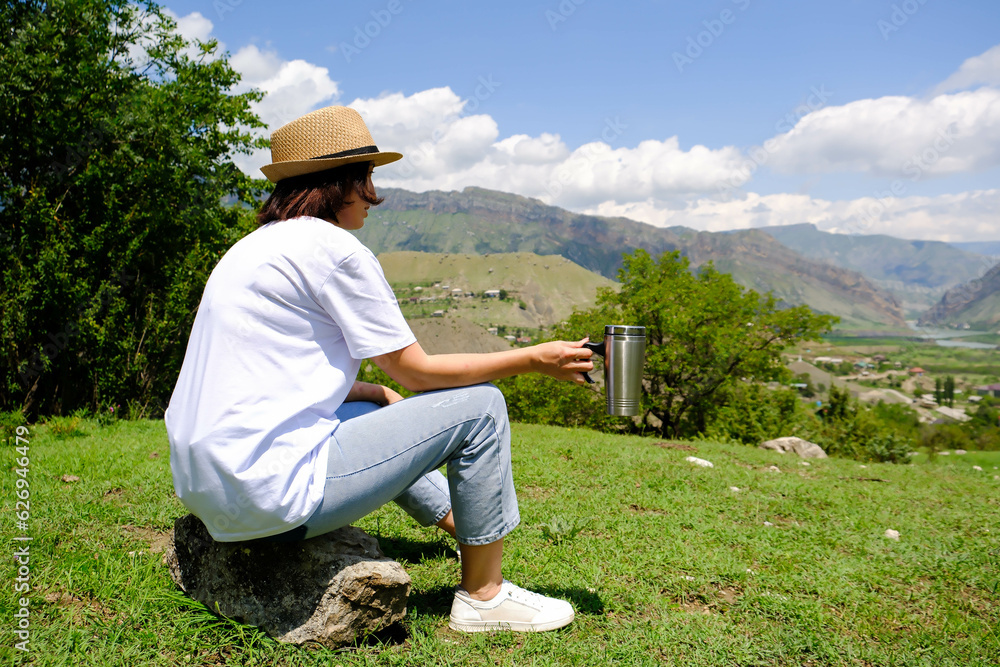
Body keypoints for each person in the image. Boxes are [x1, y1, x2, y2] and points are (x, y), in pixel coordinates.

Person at [165, 105, 594, 633]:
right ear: (339, 183)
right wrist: (534, 359)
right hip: (270, 498)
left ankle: (467, 522)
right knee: (482, 407)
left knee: (373, 399)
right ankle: (484, 598)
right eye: (366, 175)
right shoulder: (334, 250)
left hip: (212, 490)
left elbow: (278, 373)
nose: (373, 192)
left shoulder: (252, 249)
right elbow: (417, 372)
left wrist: (371, 392)